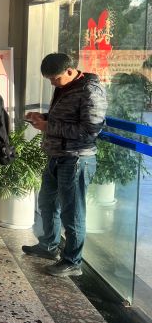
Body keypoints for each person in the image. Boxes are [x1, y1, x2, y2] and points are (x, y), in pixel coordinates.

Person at [22, 53, 107, 277]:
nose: (52, 83)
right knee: (47, 202)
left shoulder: (91, 91)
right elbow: (64, 118)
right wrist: (42, 117)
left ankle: (72, 262)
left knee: (73, 212)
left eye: (55, 78)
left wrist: (48, 126)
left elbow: (90, 131)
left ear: (70, 71)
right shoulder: (66, 86)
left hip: (76, 159)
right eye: (49, 79)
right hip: (57, 155)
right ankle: (49, 246)